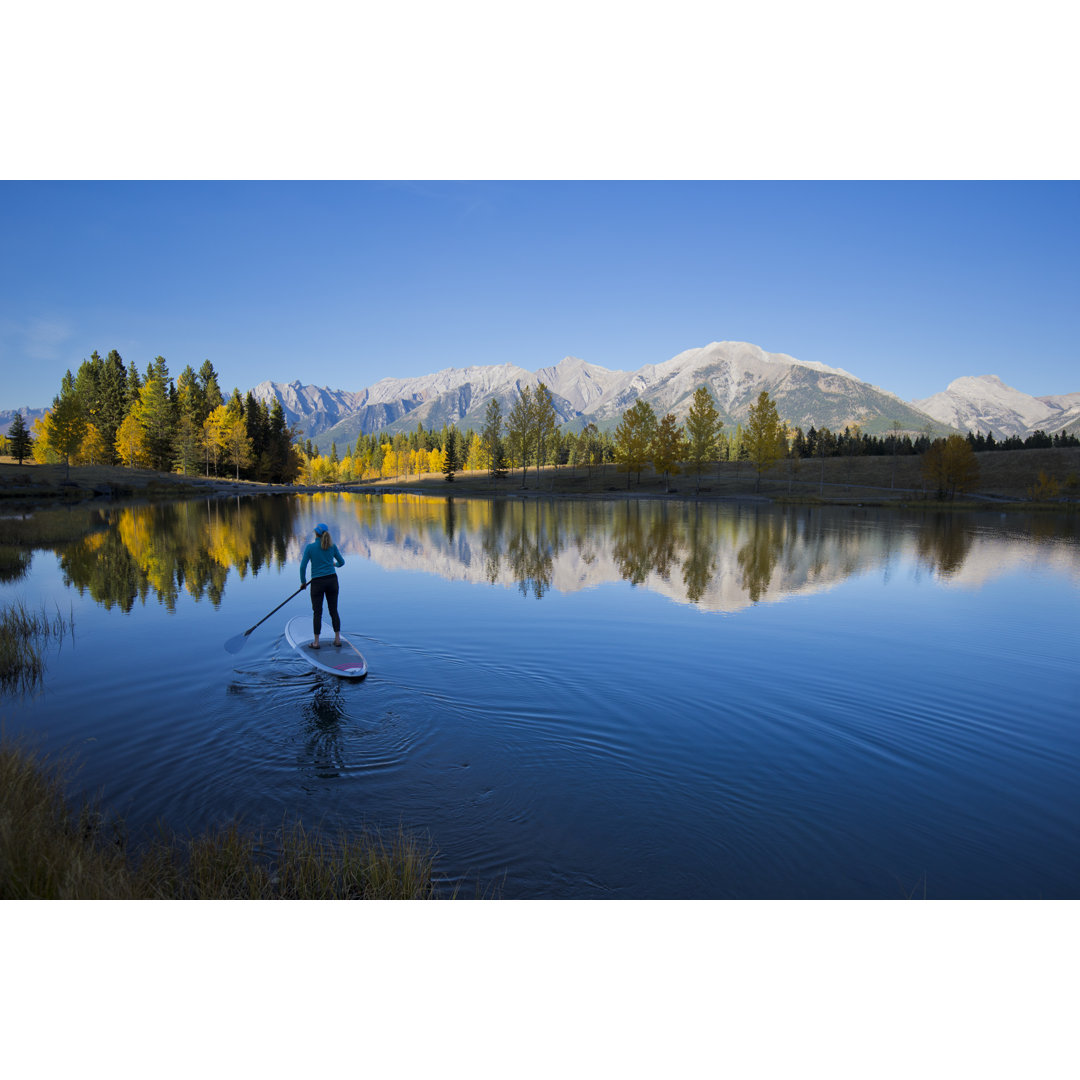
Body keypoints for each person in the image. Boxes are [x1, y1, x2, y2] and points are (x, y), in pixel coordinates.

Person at [299, 523, 345, 648]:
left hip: (317, 583)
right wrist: (333, 565)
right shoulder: (332, 547)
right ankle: (337, 640)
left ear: (316, 533)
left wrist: (303, 582)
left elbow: (303, 567)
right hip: (332, 581)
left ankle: (316, 642)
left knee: (317, 612)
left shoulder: (310, 547)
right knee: (333, 610)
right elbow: (342, 562)